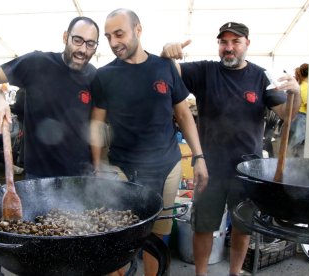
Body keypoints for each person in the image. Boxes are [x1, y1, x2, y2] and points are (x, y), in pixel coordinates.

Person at [161, 22, 301, 276]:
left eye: (235, 42)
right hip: (209, 168)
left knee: (243, 227)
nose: (229, 48)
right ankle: (201, 274)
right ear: (218, 45)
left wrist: (295, 94)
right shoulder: (205, 71)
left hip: (248, 170)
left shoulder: (260, 77)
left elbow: (287, 115)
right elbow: (170, 71)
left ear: (247, 44)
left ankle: (234, 273)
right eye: (224, 42)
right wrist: (166, 53)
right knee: (203, 225)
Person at [90, 9, 208, 276]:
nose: (113, 42)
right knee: (119, 236)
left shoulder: (164, 66)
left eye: (119, 33)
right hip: (124, 169)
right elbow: (96, 124)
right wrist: (97, 165)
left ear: (138, 30)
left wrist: (199, 157)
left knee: (158, 236)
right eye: (108, 36)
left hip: (167, 166)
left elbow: (183, 114)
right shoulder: (104, 75)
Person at [0, 16, 99, 179]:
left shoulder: (93, 75)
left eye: (90, 44)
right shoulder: (37, 62)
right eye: (77, 40)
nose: (83, 49)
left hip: (81, 176)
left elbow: (95, 126)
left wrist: (97, 168)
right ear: (65, 37)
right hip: (40, 176)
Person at [289, 63, 308, 157]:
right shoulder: (305, 87)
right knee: (297, 143)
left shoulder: (302, 85)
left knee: (296, 142)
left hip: (299, 117)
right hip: (302, 117)